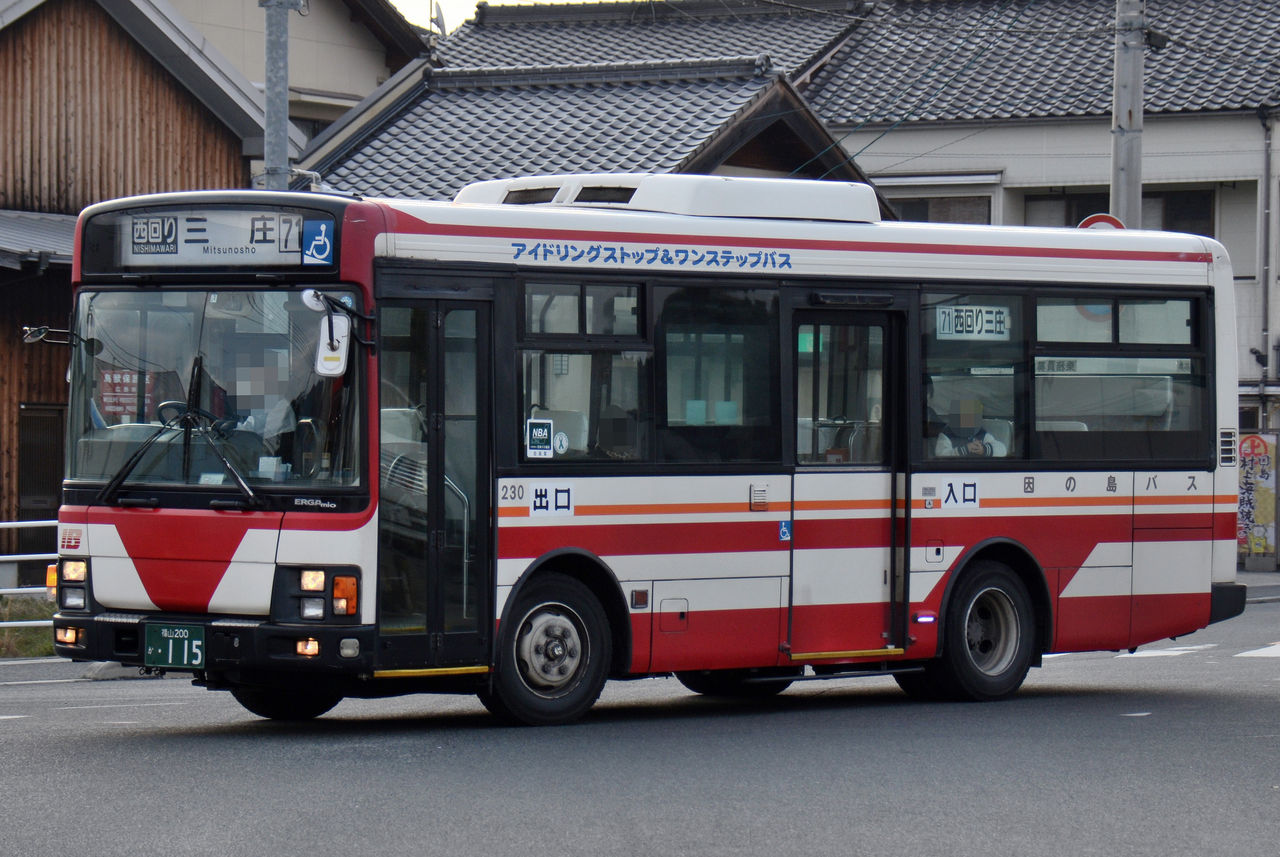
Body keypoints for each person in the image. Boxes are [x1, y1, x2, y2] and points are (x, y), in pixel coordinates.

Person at [935, 397, 1006, 457]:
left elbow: (1002, 450)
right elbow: (941, 454)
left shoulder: (981, 433)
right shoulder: (947, 434)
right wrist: (965, 450)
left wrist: (984, 449)